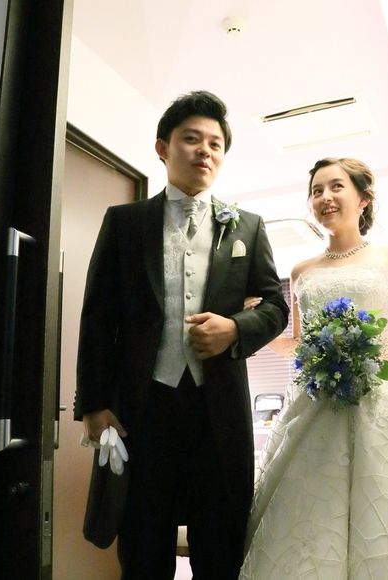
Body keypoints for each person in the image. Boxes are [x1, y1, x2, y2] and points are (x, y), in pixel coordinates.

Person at [74, 90, 289, 580]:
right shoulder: (125, 223)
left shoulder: (248, 227)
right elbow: (98, 317)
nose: (204, 151)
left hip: (219, 415)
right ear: (163, 148)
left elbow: (276, 306)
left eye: (215, 143)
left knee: (221, 551)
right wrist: (93, 404)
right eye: (191, 139)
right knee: (142, 552)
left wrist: (235, 328)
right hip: (142, 411)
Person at [240, 158, 388, 579]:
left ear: (363, 198)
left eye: (336, 187)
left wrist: (380, 357)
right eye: (316, 191)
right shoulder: (301, 271)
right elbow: (301, 345)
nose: (325, 198)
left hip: (383, 400)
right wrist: (257, 327)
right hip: (317, 404)